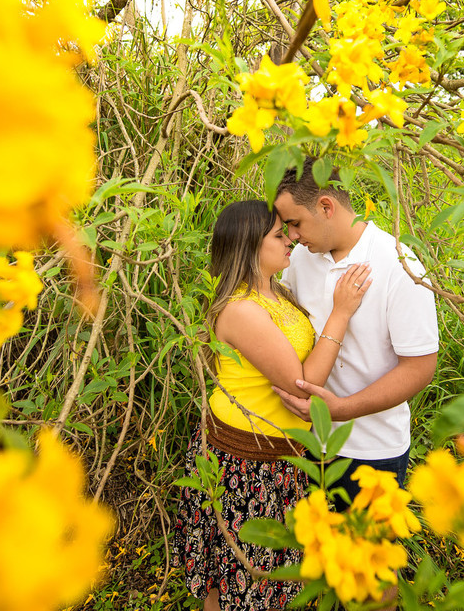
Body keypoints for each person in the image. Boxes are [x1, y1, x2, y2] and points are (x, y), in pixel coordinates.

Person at [175, 199, 371, 611]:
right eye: (279, 236)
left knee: (256, 582)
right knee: (235, 580)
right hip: (245, 463)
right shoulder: (242, 309)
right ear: (249, 245)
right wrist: (342, 312)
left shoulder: (277, 293)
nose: (291, 242)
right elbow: (305, 385)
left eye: (289, 232)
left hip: (279, 459)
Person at [273, 159, 439, 508]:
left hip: (372, 451)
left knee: (371, 556)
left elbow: (419, 367)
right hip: (304, 444)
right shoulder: (299, 260)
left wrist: (344, 409)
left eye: (295, 223)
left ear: (326, 207)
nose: (292, 236)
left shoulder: (398, 265)